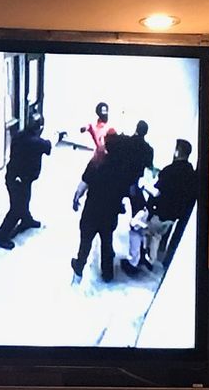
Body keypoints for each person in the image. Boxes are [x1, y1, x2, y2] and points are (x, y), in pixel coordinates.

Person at [72, 130, 139, 283]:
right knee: (107, 242)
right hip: (110, 213)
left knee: (85, 243)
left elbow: (83, 184)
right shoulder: (125, 170)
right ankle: (107, 273)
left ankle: (79, 269)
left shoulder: (96, 163)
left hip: (91, 211)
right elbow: (131, 192)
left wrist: (76, 198)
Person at [127, 137, 201, 272]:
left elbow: (157, 193)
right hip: (173, 217)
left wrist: (145, 188)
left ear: (177, 152)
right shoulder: (192, 174)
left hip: (159, 213)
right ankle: (151, 259)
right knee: (156, 235)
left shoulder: (169, 171)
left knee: (135, 226)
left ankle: (133, 262)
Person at [0, 116, 52, 248]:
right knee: (16, 209)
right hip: (19, 181)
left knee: (24, 200)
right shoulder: (36, 143)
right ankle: (0, 237)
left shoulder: (19, 136)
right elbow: (48, 146)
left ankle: (26, 220)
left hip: (16, 177)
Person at [71, 101, 110, 211]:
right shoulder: (101, 127)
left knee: (87, 179)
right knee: (90, 179)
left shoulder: (99, 127)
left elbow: (87, 127)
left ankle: (77, 196)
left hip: (97, 159)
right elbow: (87, 127)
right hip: (102, 160)